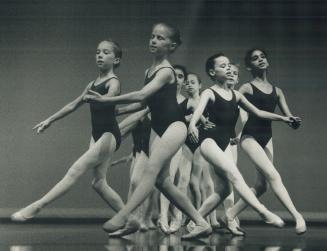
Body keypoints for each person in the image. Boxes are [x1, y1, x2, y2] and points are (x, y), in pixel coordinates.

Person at [84, 22, 211, 239]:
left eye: (160, 38)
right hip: (158, 128)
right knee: (163, 181)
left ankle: (124, 215)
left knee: (150, 170)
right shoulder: (149, 70)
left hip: (175, 126)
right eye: (153, 36)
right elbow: (145, 104)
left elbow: (142, 95)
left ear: (172, 45)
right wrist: (119, 110)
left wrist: (107, 100)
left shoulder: (166, 71)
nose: (154, 40)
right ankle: (200, 222)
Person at [186, 53, 301, 237]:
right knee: (235, 175)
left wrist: (284, 118)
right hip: (208, 141)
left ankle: (196, 221)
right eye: (223, 66)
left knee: (223, 191)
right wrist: (193, 124)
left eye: (228, 65)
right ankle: (263, 212)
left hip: (224, 143)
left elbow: (259, 113)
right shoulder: (209, 92)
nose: (228, 68)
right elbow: (198, 111)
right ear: (212, 72)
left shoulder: (236, 95)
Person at [11, 39, 125, 221]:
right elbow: (73, 105)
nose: (100, 55)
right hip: (97, 135)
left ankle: (36, 207)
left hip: (109, 135)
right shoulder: (92, 83)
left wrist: (102, 99)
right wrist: (50, 120)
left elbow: (112, 96)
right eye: (97, 52)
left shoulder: (113, 82)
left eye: (105, 52)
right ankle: (131, 219)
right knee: (99, 183)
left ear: (116, 60)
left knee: (75, 170)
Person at [225, 48, 306, 235]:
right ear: (249, 66)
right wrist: (235, 132)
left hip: (266, 137)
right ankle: (297, 216)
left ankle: (229, 214)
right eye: (255, 58)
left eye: (262, 57)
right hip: (249, 137)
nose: (260, 60)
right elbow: (239, 112)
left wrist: (294, 121)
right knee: (274, 175)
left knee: (262, 186)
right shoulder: (246, 88)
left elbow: (289, 120)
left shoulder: (278, 91)